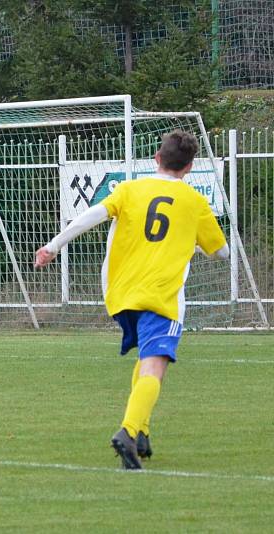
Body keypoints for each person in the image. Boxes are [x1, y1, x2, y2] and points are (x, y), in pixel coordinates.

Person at [34, 130, 228, 469]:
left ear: (157, 157)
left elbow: (91, 215)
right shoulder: (195, 202)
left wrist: (53, 246)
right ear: (190, 167)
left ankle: (141, 431)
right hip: (161, 297)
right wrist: (193, 244)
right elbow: (222, 252)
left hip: (121, 294)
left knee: (147, 357)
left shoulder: (129, 189)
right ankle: (127, 431)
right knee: (156, 365)